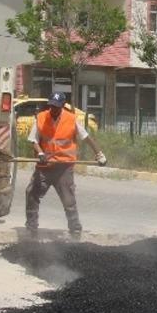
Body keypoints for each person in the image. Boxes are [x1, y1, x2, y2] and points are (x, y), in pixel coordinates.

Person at [25, 92, 106, 239]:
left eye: (56, 107)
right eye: (51, 106)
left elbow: (86, 138)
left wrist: (99, 154)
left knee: (69, 201)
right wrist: (40, 153)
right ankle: (31, 229)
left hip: (64, 167)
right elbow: (33, 140)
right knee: (31, 194)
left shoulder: (71, 119)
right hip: (45, 166)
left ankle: (75, 231)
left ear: (63, 106)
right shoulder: (42, 117)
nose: (53, 109)